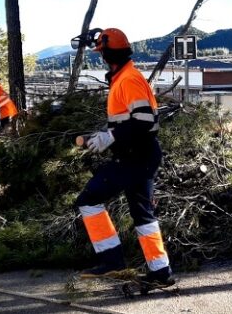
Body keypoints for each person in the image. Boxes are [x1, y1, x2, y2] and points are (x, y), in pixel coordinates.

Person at [72, 27, 174, 287]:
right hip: (140, 155)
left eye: (101, 52)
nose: (101, 57)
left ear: (107, 53)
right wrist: (107, 135)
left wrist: (111, 137)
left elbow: (145, 120)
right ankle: (161, 272)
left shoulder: (128, 79)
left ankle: (111, 261)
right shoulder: (123, 77)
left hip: (135, 158)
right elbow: (130, 121)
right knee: (143, 215)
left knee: (89, 199)